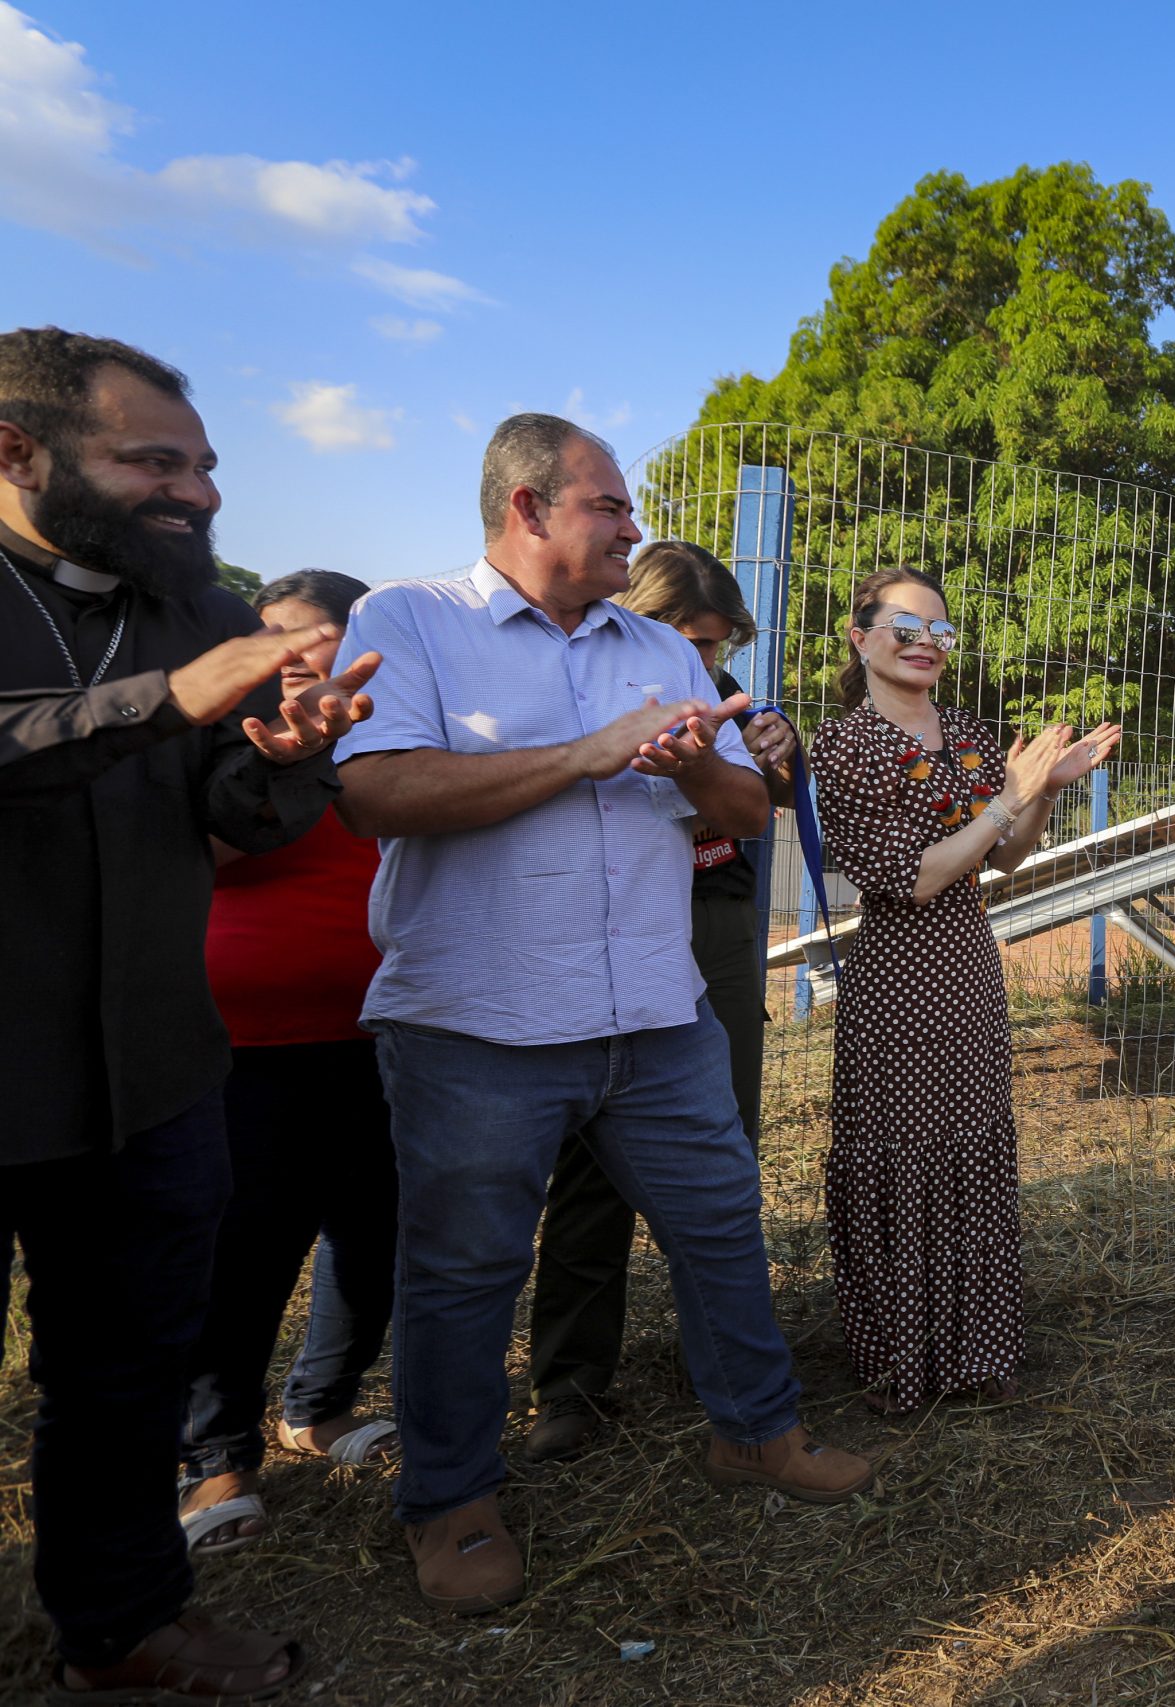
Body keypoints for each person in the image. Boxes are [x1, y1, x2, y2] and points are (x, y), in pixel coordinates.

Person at [332, 414, 870, 1615]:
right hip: (477, 1021)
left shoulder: (658, 646)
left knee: (724, 1221)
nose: (634, 530)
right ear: (526, 508)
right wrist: (588, 752)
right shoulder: (409, 620)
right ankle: (453, 1503)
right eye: (609, 507)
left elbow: (739, 806)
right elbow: (373, 793)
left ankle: (755, 1430)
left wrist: (688, 767)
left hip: (653, 1012)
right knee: (466, 1269)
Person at [1, 328, 375, 1701]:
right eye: (151, 460)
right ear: (15, 450)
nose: (198, 493)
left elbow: (245, 809)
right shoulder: (189, 647)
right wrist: (170, 698)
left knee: (123, 1368)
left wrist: (288, 758)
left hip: (153, 1069)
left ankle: (124, 1624)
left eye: (205, 465)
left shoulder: (205, 606)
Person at [808, 567, 1122, 1413]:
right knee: (903, 1151)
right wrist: (1005, 802)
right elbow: (910, 879)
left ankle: (977, 1347)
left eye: (941, 632)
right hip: (899, 973)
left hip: (967, 966)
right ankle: (904, 1355)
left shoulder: (971, 733)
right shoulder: (844, 746)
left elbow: (1006, 856)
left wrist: (1042, 796)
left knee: (973, 1147)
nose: (925, 644)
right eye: (906, 626)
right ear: (859, 634)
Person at [522, 539, 800, 1463]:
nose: (708, 663)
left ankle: (721, 1365)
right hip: (608, 925)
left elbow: (771, 802)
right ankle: (570, 1383)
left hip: (715, 926)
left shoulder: (731, 704)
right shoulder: (574, 687)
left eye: (721, 647)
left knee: (722, 1149)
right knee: (594, 1167)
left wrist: (777, 754)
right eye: (691, 638)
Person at [178, 571, 399, 1559]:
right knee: (246, 1252)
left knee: (375, 1234)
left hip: (388, 1029)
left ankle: (321, 1407)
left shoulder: (398, 730)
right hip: (248, 1044)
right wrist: (282, 766)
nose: (274, 650)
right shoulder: (227, 733)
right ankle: (214, 1454)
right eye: (261, 633)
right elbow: (180, 858)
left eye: (296, 633)